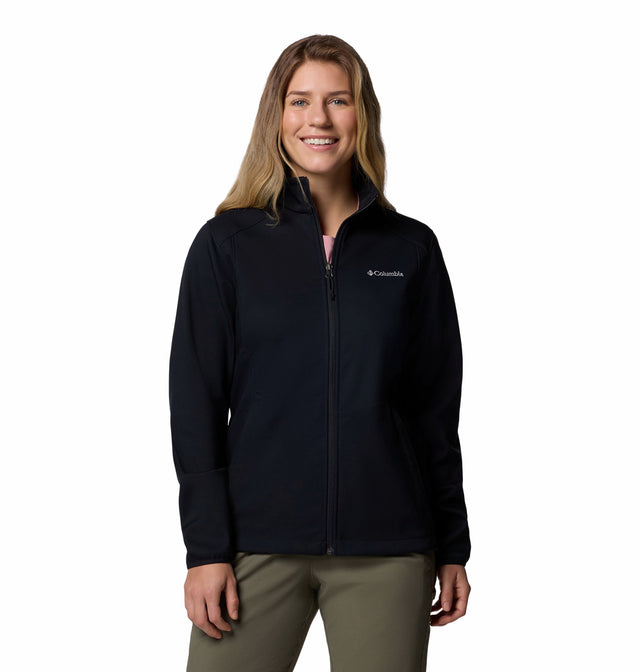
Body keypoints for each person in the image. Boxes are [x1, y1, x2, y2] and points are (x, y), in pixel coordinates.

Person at [169, 34, 471, 672]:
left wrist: (452, 544)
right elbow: (196, 405)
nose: (320, 119)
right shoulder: (227, 245)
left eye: (339, 100)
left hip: (388, 547)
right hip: (254, 546)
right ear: (276, 116)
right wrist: (206, 549)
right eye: (300, 101)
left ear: (363, 114)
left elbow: (435, 410)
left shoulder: (410, 249)